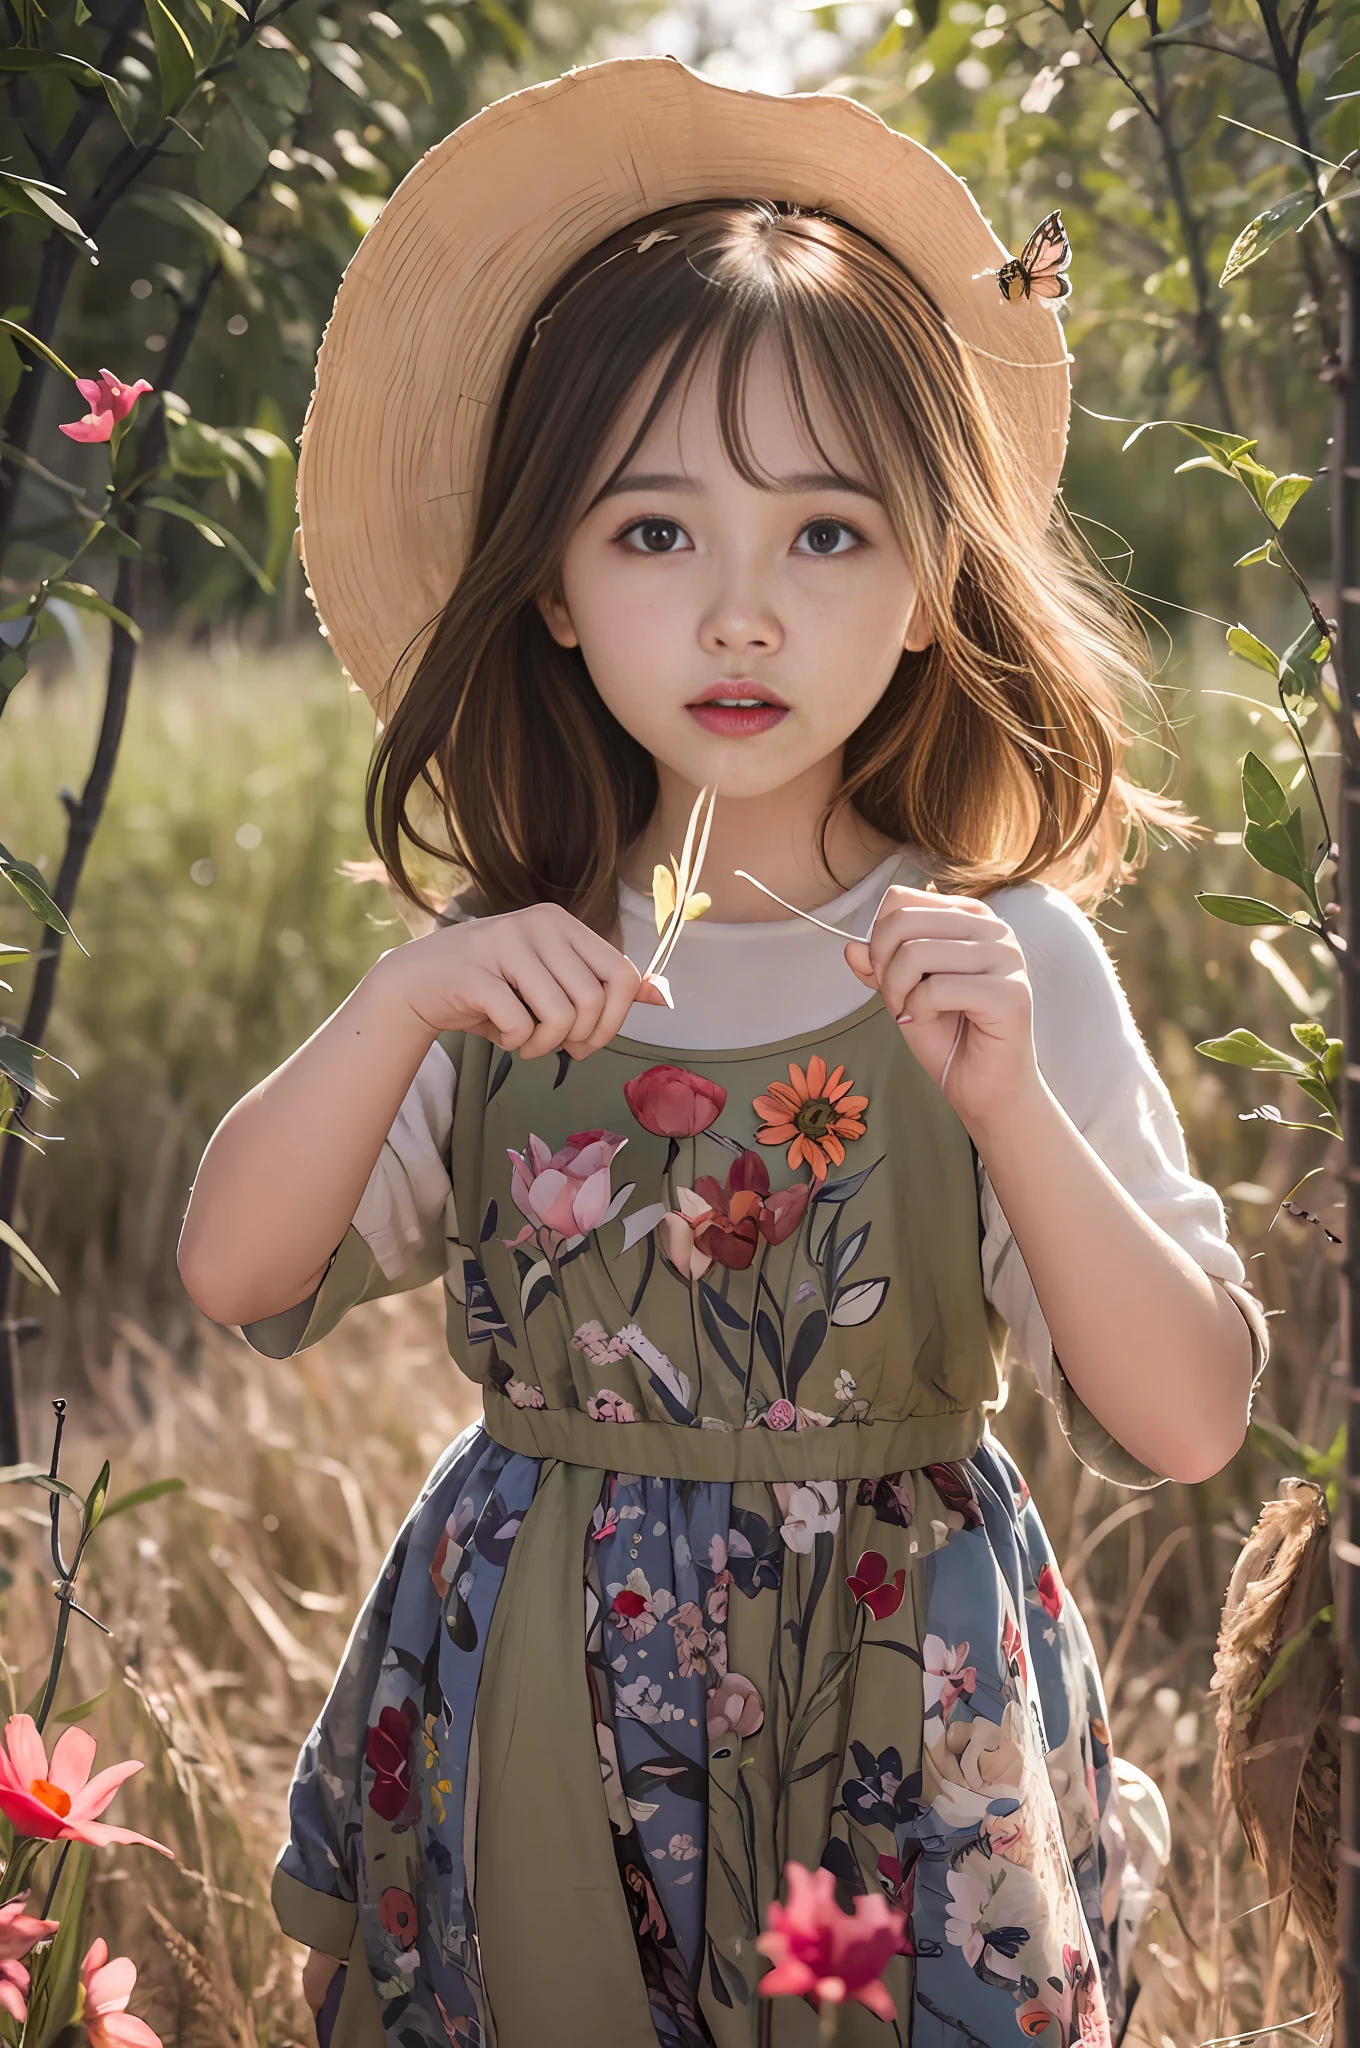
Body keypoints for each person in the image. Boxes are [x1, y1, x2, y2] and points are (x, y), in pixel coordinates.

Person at [177, 56, 1265, 2048]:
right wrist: (396, 999)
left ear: (932, 583)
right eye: (657, 531)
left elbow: (1188, 1417)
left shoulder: (998, 961)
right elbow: (231, 1271)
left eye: (827, 533)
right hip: (535, 1706)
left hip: (894, 1722)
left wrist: (1008, 1108)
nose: (741, 608)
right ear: (561, 595)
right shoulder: (508, 967)